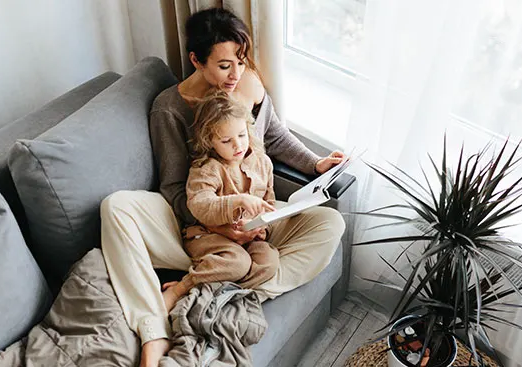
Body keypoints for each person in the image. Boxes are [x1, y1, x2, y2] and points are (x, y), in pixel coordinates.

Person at [100, 7, 346, 367]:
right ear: (196, 60)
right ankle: (155, 327)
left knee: (330, 224)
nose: (236, 74)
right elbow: (173, 190)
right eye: (224, 65)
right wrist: (219, 223)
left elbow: (273, 137)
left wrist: (315, 163)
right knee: (115, 206)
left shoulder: (249, 86)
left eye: (241, 61)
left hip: (253, 219)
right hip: (200, 224)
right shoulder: (169, 109)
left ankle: (215, 292)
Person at [160, 88, 280, 309]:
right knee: (238, 263)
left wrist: (262, 228)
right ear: (210, 141)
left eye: (242, 135)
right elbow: (199, 204)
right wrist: (238, 201)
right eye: (226, 140)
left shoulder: (263, 163)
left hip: (250, 238)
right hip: (208, 236)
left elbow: (269, 203)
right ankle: (181, 289)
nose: (238, 146)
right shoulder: (207, 169)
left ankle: (218, 294)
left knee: (269, 263)